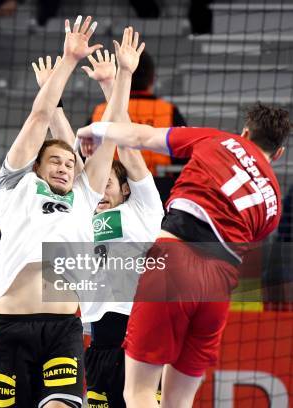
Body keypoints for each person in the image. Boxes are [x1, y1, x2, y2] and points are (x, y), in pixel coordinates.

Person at [77, 103, 290, 407]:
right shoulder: (275, 205)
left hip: (175, 262)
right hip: (220, 286)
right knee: (178, 401)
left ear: (244, 132)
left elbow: (141, 136)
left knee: (139, 393)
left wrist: (95, 128)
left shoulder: (218, 140)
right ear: (279, 154)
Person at [0, 19, 146, 408]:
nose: (63, 166)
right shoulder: (14, 187)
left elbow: (110, 133)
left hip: (63, 328)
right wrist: (69, 60)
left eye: (68, 163)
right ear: (37, 166)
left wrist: (123, 75)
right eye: (54, 160)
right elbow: (40, 117)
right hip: (9, 327)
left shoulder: (85, 197)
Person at [74, 49, 164, 408]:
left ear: (125, 189)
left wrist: (114, 82)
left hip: (140, 337)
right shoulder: (83, 217)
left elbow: (128, 148)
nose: (99, 190)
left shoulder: (143, 208)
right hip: (99, 342)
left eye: (107, 183)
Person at [90, 51, 187, 176]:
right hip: (160, 184)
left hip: (109, 183)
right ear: (152, 78)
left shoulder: (101, 110)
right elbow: (184, 156)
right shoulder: (168, 111)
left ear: (118, 78)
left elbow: (87, 153)